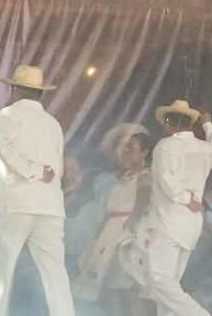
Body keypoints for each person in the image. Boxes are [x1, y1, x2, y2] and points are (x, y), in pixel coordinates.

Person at [0, 64, 75, 316]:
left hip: (16, 204)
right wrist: (40, 172)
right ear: (39, 93)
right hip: (49, 206)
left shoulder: (7, 115)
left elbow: (1, 147)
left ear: (15, 89)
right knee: (55, 274)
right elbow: (56, 167)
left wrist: (32, 170)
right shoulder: (53, 123)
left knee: (3, 272)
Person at [128, 99, 212, 316]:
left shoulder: (166, 146)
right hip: (189, 226)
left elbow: (166, 180)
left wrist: (185, 198)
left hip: (168, 222)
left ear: (169, 122)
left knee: (158, 280)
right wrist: (209, 125)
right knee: (168, 288)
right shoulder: (204, 149)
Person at [74, 132, 154, 310]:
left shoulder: (145, 175)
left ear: (144, 152)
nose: (126, 151)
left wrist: (131, 226)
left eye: (131, 148)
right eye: (125, 147)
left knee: (129, 283)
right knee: (110, 285)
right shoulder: (124, 177)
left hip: (125, 230)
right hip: (110, 231)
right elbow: (113, 209)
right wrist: (99, 233)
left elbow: (142, 201)